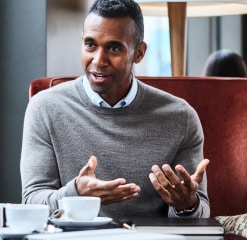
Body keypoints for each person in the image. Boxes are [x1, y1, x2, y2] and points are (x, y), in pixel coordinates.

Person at [21, 0, 210, 223]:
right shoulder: (45, 107)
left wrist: (186, 205)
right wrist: (76, 194)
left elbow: (201, 213)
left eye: (114, 48)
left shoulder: (181, 117)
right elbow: (32, 201)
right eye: (90, 45)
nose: (98, 61)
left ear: (139, 53)